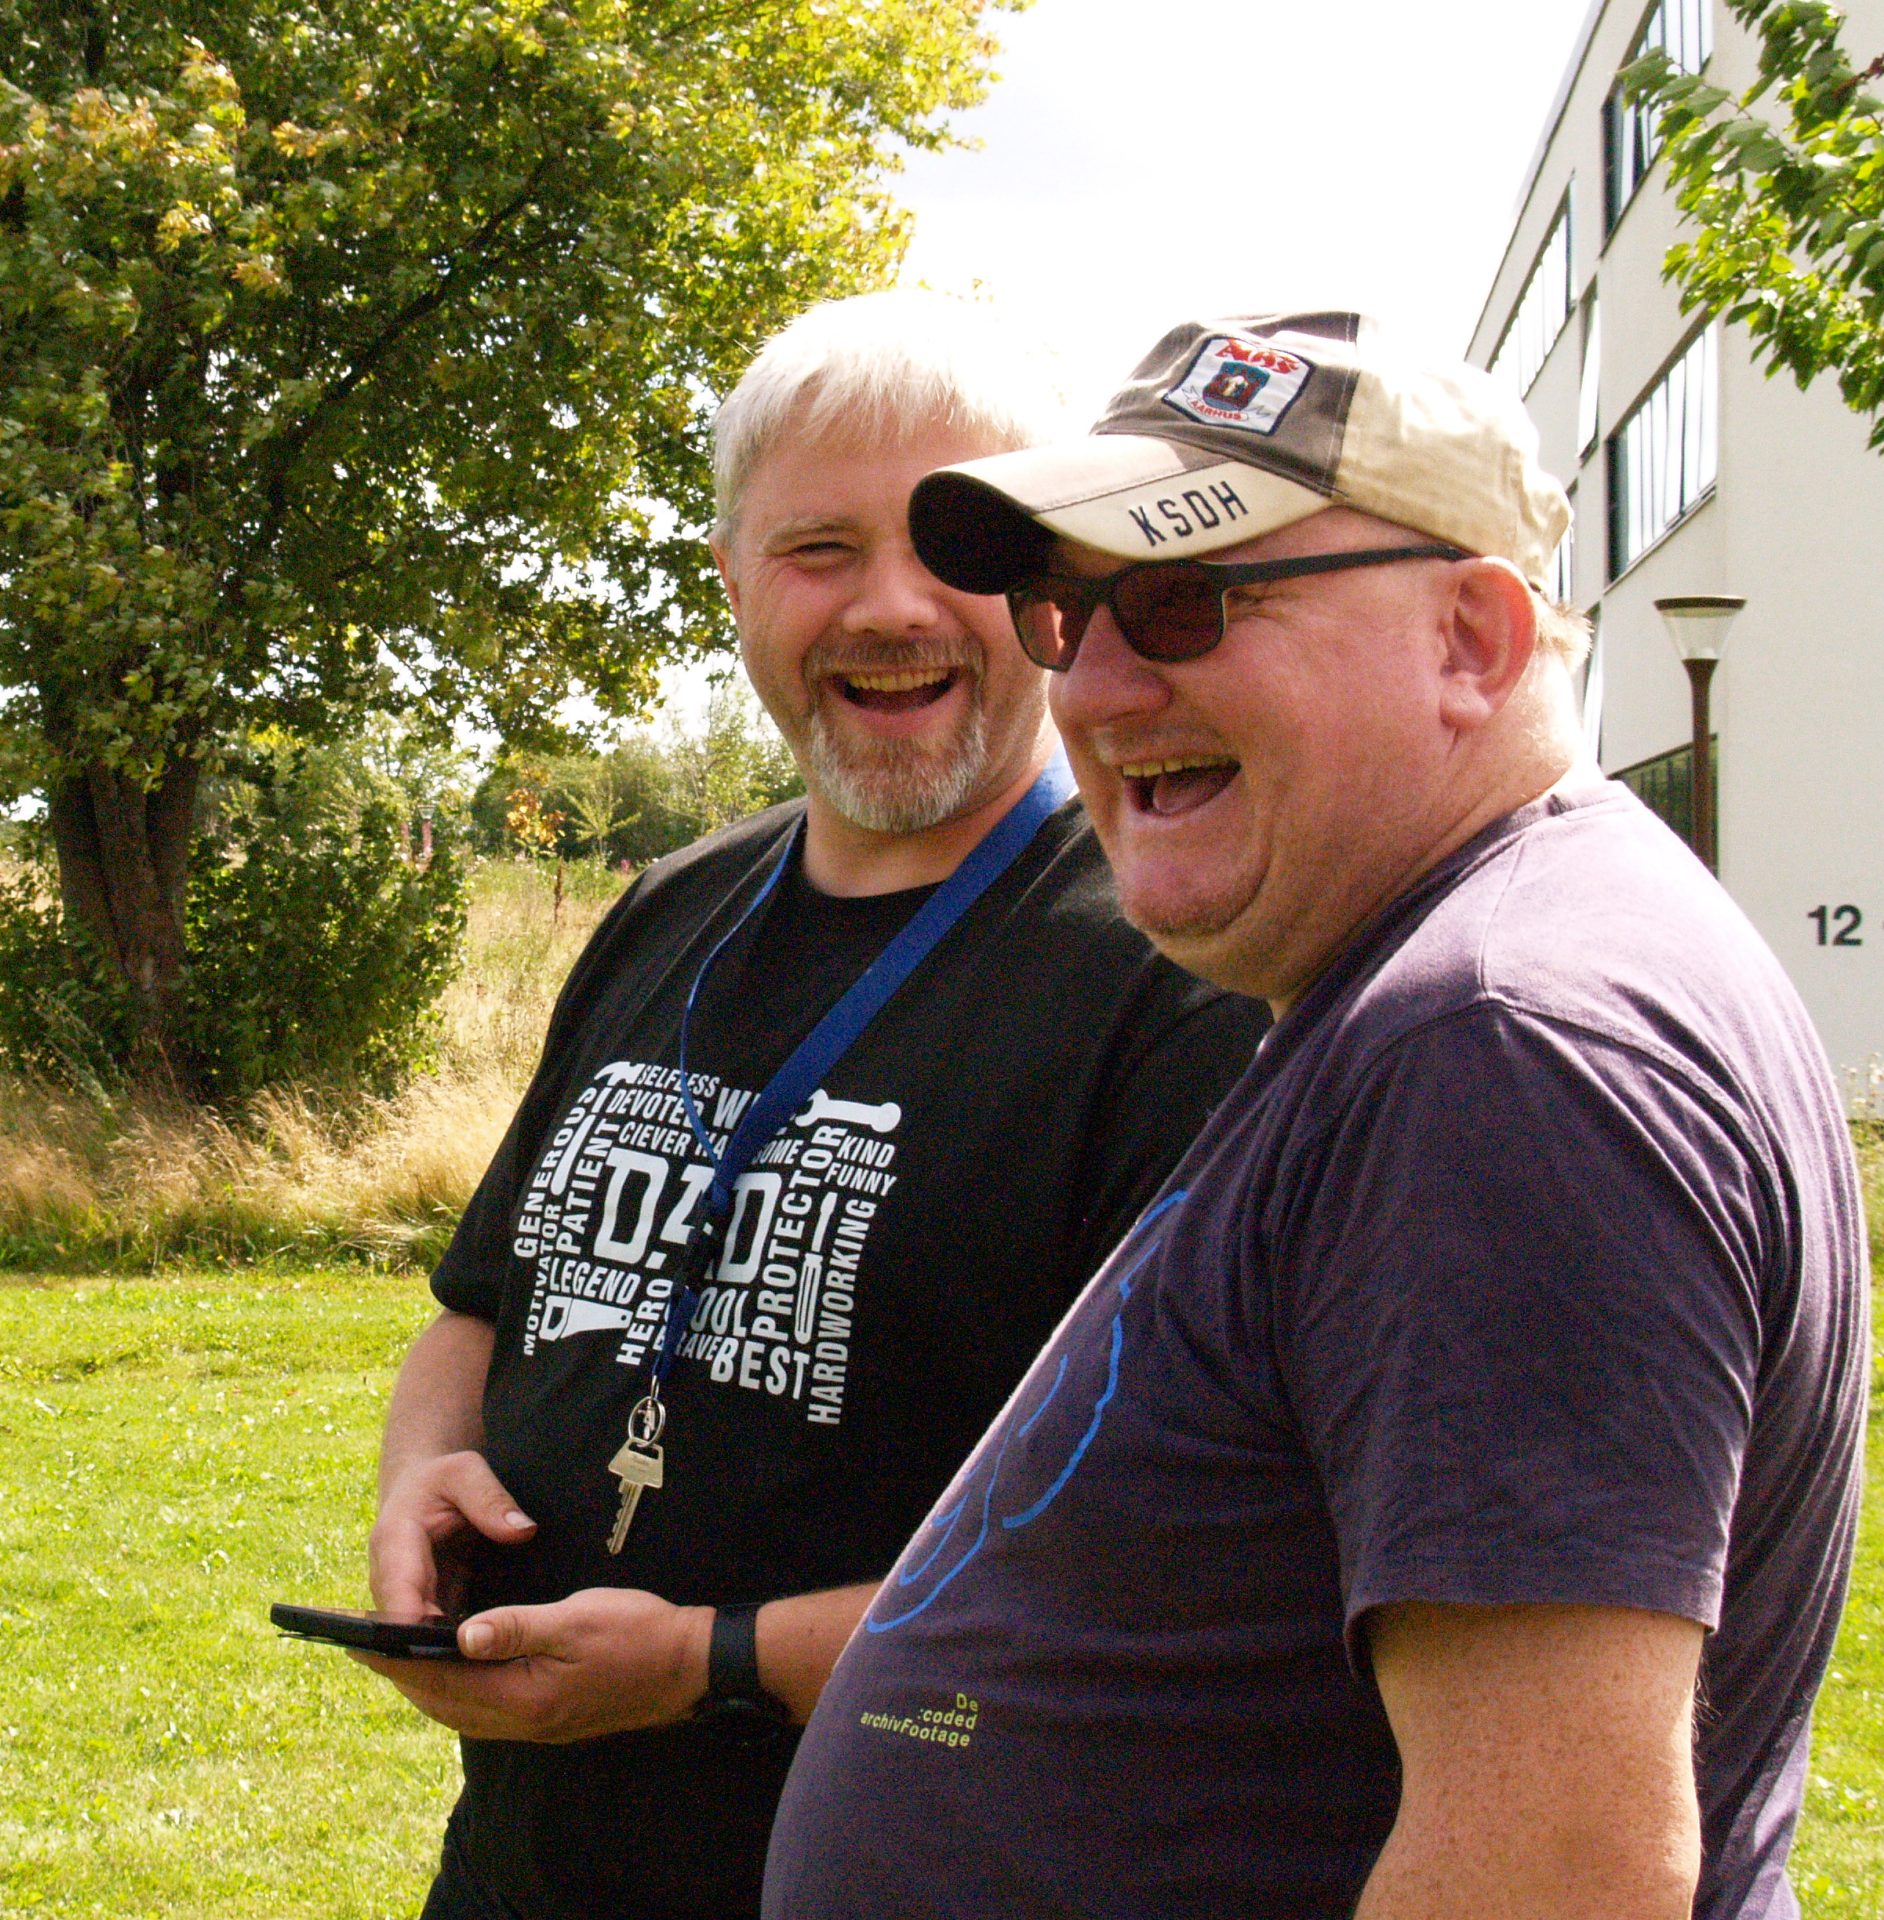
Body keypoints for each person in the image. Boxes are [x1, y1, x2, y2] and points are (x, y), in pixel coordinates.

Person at [765, 313, 1871, 1920]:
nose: (1095, 683)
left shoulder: (1502, 1049)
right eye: (1066, 610)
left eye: (1186, 600)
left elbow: (1554, 1870)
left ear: (1472, 641)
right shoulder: (1450, 983)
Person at [353, 292, 1270, 1920]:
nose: (890, 607)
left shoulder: (1172, 975)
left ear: (1053, 585)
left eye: (954, 549)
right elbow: (481, 1308)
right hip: (524, 1870)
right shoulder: (671, 905)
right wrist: (423, 1472)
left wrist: (705, 1663)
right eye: (820, 549)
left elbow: (1160, 1567)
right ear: (733, 582)